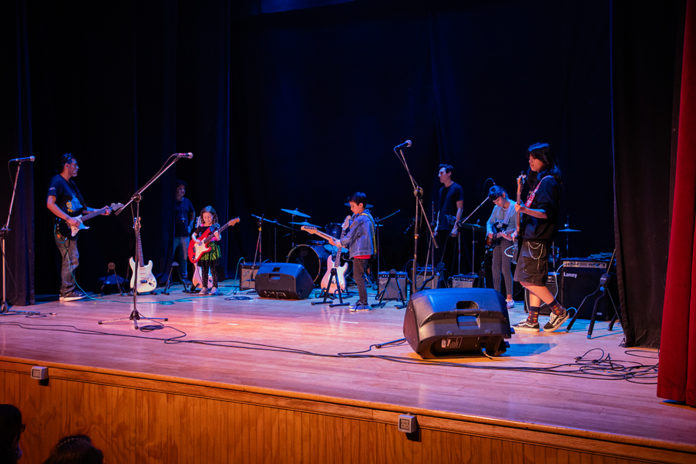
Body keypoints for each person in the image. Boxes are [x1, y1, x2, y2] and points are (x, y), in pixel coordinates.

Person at [513, 143, 568, 332]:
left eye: (533, 157)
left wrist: (525, 210)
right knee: (533, 279)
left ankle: (559, 310)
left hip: (538, 238)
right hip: (531, 236)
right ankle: (532, 319)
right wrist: (520, 190)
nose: (530, 161)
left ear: (544, 159)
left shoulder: (549, 182)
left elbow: (545, 212)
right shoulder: (541, 181)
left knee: (526, 279)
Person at [46, 154, 111, 301]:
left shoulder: (72, 184)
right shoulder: (57, 181)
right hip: (63, 228)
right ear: (67, 165)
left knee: (73, 258)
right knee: (70, 258)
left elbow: (81, 209)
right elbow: (50, 204)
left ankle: (68, 290)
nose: (77, 168)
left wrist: (100, 211)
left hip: (72, 227)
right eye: (75, 165)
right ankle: (66, 291)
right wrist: (68, 219)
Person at [329, 192, 375, 311]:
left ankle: (363, 303)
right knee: (359, 276)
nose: (351, 209)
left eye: (353, 206)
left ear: (361, 205)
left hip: (361, 252)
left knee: (358, 277)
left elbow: (350, 237)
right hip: (366, 251)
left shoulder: (360, 219)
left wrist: (338, 242)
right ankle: (362, 301)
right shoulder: (367, 216)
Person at [486, 185, 517, 309]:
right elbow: (489, 222)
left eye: (498, 200)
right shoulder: (496, 208)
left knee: (505, 268)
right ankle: (497, 296)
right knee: (495, 267)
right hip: (498, 240)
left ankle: (509, 297)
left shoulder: (514, 208)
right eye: (495, 202)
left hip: (508, 240)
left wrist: (511, 233)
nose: (497, 203)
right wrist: (490, 231)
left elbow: (518, 227)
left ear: (503, 195)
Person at [434, 164, 464, 279]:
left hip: (450, 225)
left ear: (449, 173)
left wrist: (456, 227)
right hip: (441, 225)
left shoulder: (457, 188)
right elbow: (439, 209)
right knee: (440, 253)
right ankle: (441, 280)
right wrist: (436, 226)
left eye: (441, 173)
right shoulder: (441, 190)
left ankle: (449, 279)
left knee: (449, 254)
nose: (439, 175)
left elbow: (460, 208)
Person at [191, 206, 221, 295]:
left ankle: (215, 287)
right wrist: (196, 240)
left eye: (209, 217)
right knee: (204, 269)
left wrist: (217, 235)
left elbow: (219, 238)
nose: (207, 219)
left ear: (213, 216)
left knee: (213, 269)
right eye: (205, 217)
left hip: (212, 249)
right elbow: (193, 235)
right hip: (203, 250)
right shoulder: (201, 227)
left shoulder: (215, 226)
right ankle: (204, 287)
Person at [171, 180, 195, 282]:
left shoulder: (187, 202)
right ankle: (168, 278)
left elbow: (192, 212)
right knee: (170, 256)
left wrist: (190, 225)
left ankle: (184, 277)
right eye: (180, 189)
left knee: (184, 257)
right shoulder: (171, 201)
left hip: (185, 234)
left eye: (183, 189)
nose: (182, 191)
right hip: (174, 234)